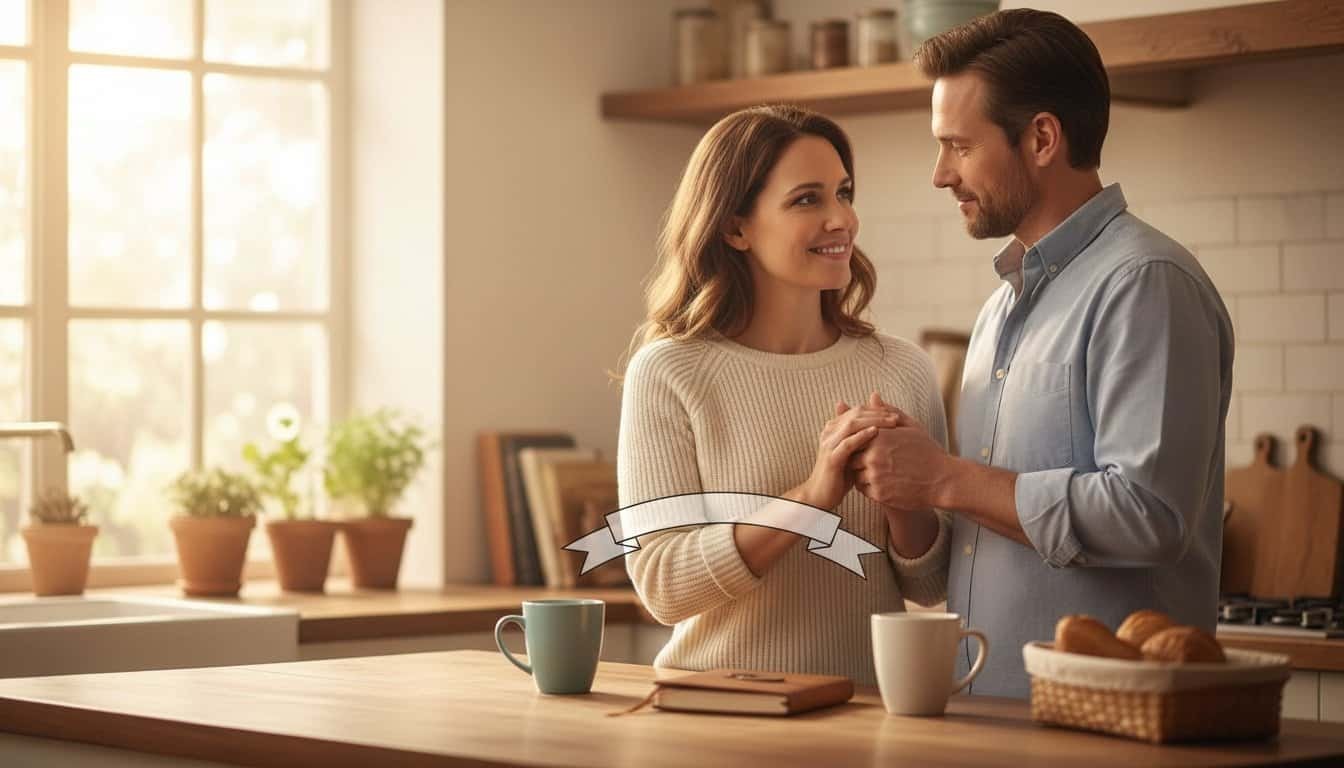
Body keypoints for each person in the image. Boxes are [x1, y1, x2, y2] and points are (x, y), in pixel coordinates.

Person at [846, 9, 1234, 697]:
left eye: (959, 146)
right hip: (990, 710)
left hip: (1113, 726)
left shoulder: (1145, 284)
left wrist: (946, 479)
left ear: (1043, 138)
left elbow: (1150, 514)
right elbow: (982, 520)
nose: (941, 175)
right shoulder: (1002, 307)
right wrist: (915, 480)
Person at [616, 105, 950, 687]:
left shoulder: (904, 370)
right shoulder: (670, 372)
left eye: (843, 193)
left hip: (867, 715)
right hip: (716, 719)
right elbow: (662, 586)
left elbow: (932, 583)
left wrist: (901, 494)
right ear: (734, 227)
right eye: (807, 199)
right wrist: (812, 499)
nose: (840, 218)